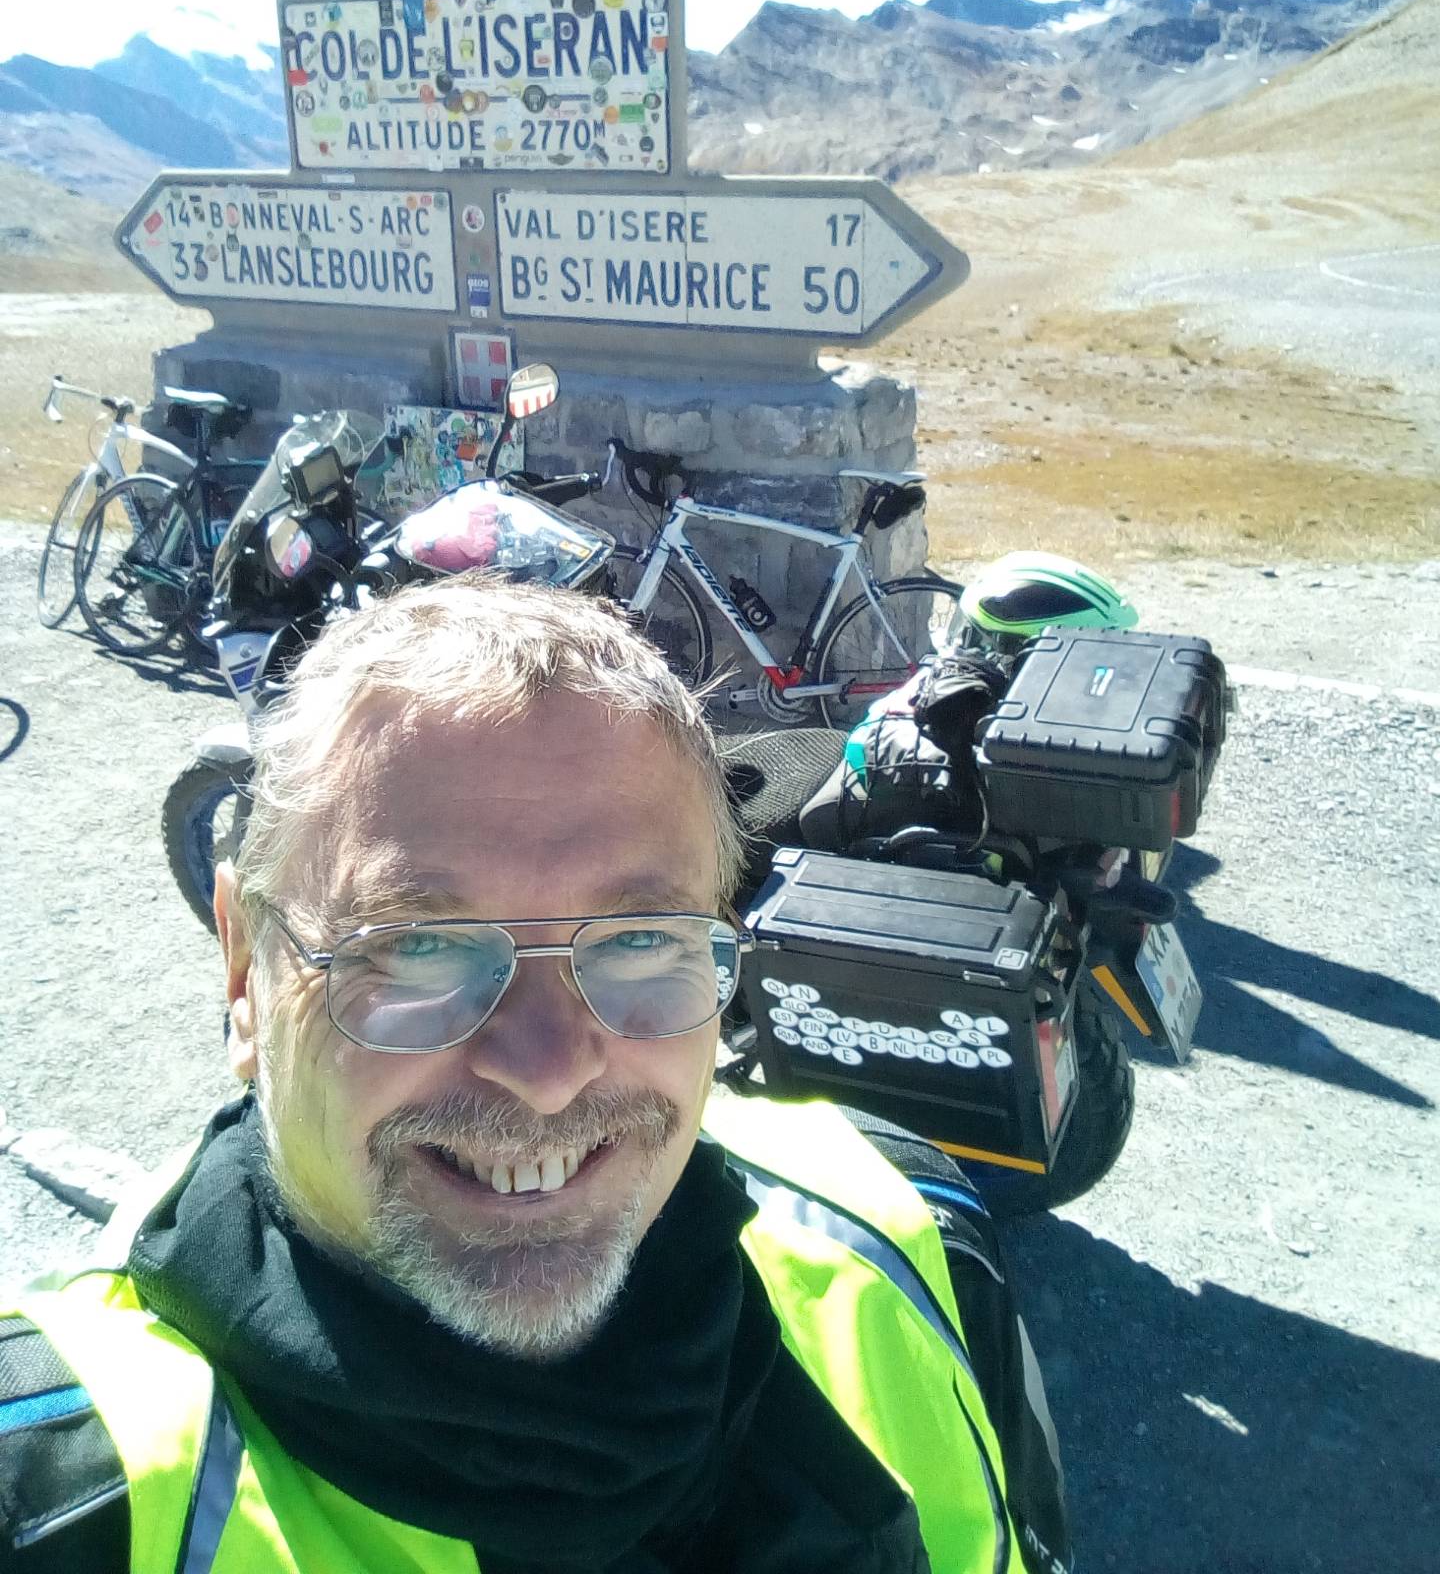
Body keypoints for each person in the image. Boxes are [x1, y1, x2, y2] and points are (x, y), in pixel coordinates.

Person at [1, 578, 1070, 1574]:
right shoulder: (65, 1494)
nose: (550, 1071)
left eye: (641, 938)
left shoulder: (906, 1231)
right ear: (245, 970)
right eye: (417, 945)